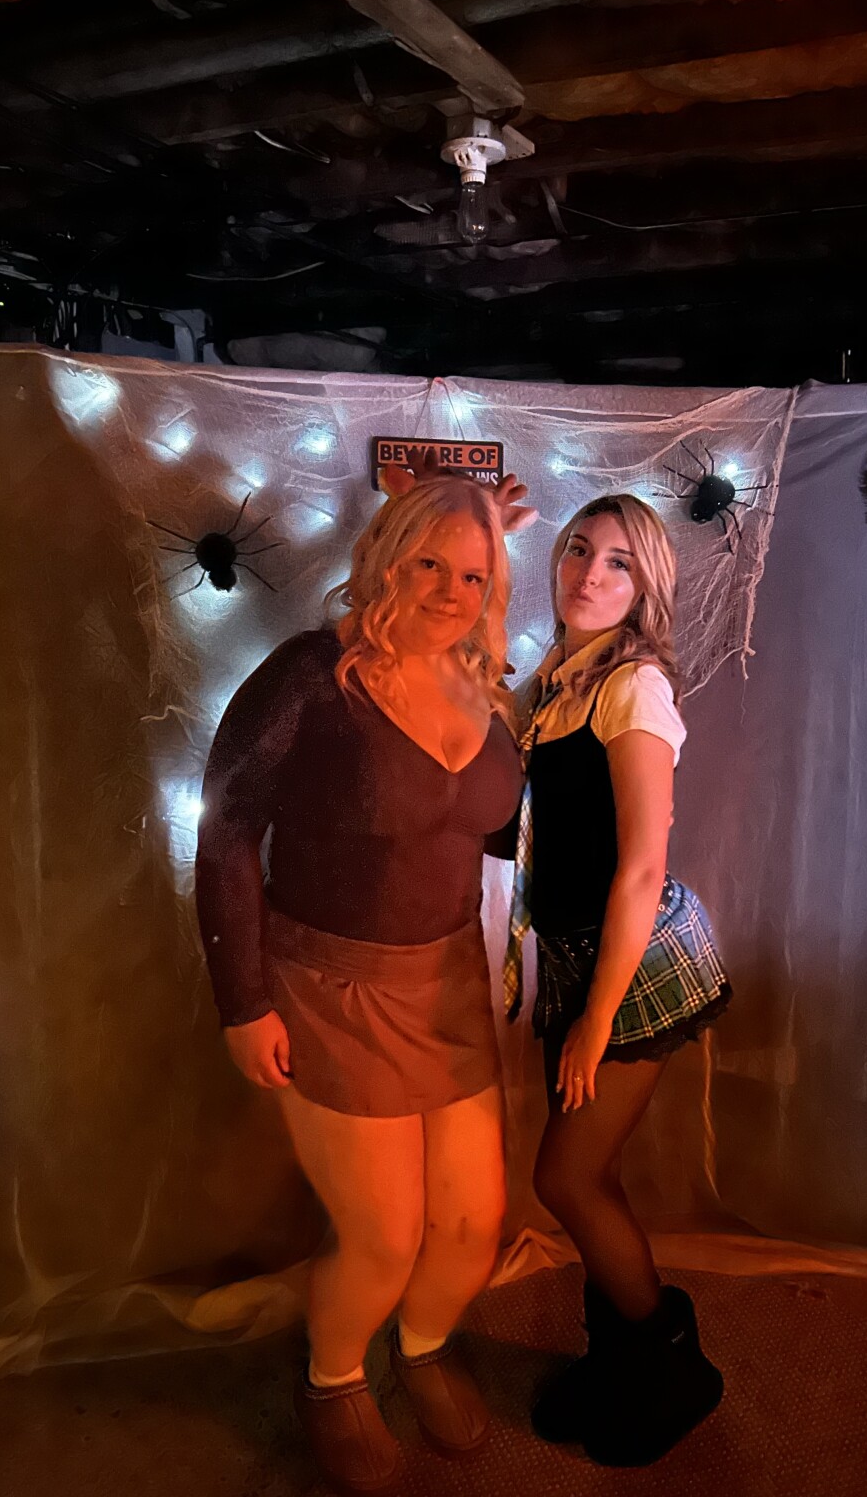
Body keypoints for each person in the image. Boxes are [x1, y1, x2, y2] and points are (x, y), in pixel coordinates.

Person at [195, 474, 528, 1495]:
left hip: (449, 984)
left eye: (472, 575)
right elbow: (227, 834)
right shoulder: (311, 675)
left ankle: (421, 1347)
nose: (450, 592)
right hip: (329, 987)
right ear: (384, 557)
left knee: (471, 1226)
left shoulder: (485, 681)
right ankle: (333, 1376)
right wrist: (243, 1001)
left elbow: (492, 834)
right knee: (383, 1236)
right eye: (429, 563)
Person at [505, 492, 731, 1469]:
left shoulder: (633, 687)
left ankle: (674, 1369)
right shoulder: (557, 679)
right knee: (588, 1176)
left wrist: (597, 1021)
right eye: (577, 550)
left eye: (618, 562)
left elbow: (641, 867)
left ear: (645, 588)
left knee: (565, 1177)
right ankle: (614, 1362)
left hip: (634, 964)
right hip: (573, 958)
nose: (589, 574)